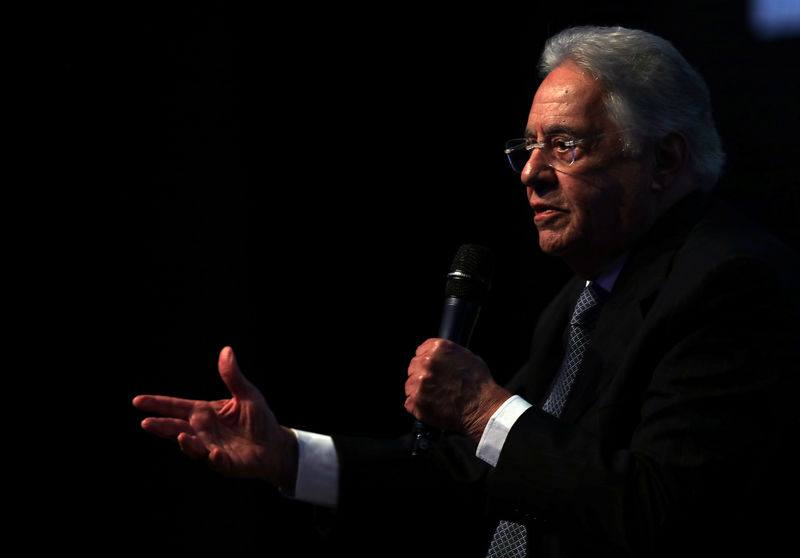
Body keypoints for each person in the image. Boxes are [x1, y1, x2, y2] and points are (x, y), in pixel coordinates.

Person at [133, 26, 800, 557]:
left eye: (564, 146)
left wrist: (486, 410)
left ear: (665, 161)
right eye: (528, 148)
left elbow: (661, 513)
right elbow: (482, 475)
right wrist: (287, 456)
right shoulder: (582, 301)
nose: (531, 174)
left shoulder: (731, 285)